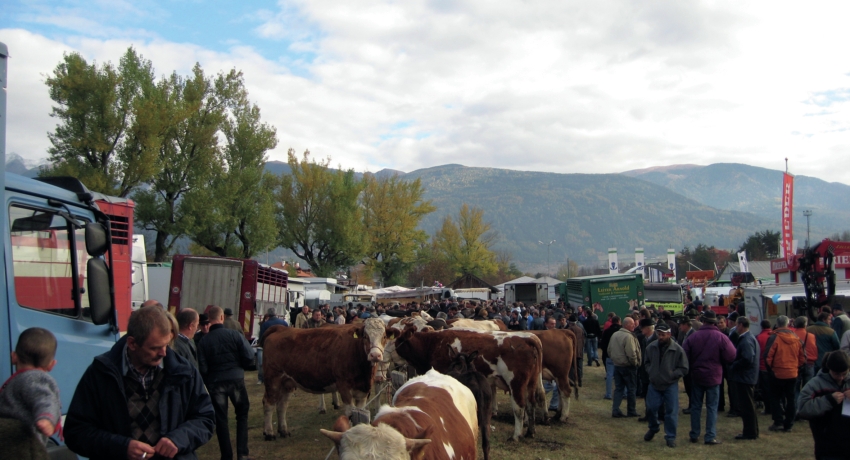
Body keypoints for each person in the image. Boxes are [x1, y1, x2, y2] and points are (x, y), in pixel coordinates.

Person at [65, 305, 215, 460]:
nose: (163, 353)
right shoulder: (101, 374)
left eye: (166, 345)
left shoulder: (184, 371)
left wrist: (178, 439)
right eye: (155, 348)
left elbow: (205, 418)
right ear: (132, 344)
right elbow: (76, 432)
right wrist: (121, 447)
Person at [198, 306, 255, 460]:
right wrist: (241, 367)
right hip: (235, 379)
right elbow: (249, 356)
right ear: (222, 317)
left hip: (216, 382)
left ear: (209, 319)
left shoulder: (203, 341)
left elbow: (203, 368)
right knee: (241, 415)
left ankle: (226, 455)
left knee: (221, 419)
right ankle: (242, 453)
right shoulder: (235, 335)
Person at [682, 310, 736, 445]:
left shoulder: (693, 337)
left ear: (703, 321)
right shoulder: (721, 337)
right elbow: (731, 355)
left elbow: (684, 355)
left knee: (696, 406)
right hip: (714, 375)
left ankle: (694, 433)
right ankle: (710, 436)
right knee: (712, 407)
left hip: (697, 375)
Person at [0, 328, 61, 445]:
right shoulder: (22, 379)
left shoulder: (34, 378)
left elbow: (45, 399)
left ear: (13, 357)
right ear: (51, 365)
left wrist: (46, 417)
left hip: (24, 446)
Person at [798, 350, 850, 459]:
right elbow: (803, 409)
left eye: (844, 374)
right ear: (829, 369)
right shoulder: (815, 384)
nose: (841, 378)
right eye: (837, 374)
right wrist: (828, 400)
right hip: (826, 445)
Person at [643, 323, 688, 448]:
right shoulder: (651, 347)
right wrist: (651, 372)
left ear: (669, 334)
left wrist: (673, 374)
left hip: (670, 384)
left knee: (671, 411)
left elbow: (684, 368)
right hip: (654, 383)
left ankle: (671, 437)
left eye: (663, 335)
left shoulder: (677, 349)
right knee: (651, 408)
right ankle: (653, 427)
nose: (660, 337)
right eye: (659, 334)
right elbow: (646, 362)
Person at [764, 315, 805, 432]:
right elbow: (803, 357)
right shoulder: (796, 338)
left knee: (775, 398)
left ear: (777, 324)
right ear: (787, 324)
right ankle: (789, 423)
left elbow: (768, 356)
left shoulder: (774, 337)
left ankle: (778, 422)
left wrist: (771, 370)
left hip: (777, 372)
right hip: (792, 372)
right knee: (791, 398)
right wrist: (797, 368)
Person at [728, 317, 759, 440]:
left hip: (745, 377)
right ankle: (752, 431)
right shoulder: (750, 337)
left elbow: (747, 358)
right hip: (748, 376)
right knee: (749, 405)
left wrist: (734, 365)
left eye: (737, 325)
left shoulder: (746, 340)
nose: (736, 327)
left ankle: (750, 432)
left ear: (741, 325)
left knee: (747, 406)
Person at [608, 317, 641, 418]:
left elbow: (609, 350)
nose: (634, 325)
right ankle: (631, 410)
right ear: (626, 325)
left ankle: (615, 409)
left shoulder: (615, 335)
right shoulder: (629, 337)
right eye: (632, 324)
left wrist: (615, 359)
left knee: (619, 389)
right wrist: (635, 363)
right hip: (628, 366)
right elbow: (631, 353)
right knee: (631, 389)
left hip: (617, 365)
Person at [256, 308, 289, 385]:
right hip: (282, 346)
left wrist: (261, 344)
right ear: (276, 314)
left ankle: (261, 379)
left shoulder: (265, 324)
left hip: (269, 346)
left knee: (265, 363)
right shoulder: (284, 323)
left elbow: (262, 336)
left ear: (268, 314)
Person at [600, 315, 622, 400]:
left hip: (609, 356)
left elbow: (602, 344)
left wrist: (606, 352)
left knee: (609, 375)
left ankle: (608, 394)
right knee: (622, 375)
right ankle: (623, 393)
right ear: (619, 321)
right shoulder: (622, 331)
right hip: (620, 356)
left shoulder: (607, 331)